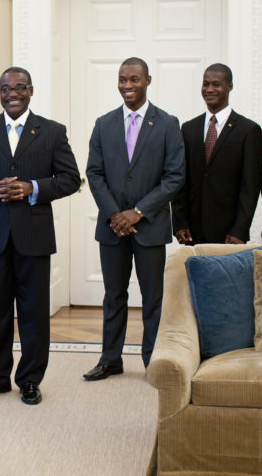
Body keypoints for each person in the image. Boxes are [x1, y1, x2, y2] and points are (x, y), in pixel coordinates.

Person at [0, 67, 80, 405]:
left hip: (34, 236)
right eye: (5, 88)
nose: (12, 93)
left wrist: (33, 187)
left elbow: (71, 179)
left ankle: (29, 380)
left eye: (19, 87)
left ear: (31, 91)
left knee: (34, 313)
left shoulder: (52, 132)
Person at [84, 57, 184, 380]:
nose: (127, 85)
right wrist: (116, 214)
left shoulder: (167, 123)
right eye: (122, 79)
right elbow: (94, 173)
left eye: (134, 79)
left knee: (153, 299)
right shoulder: (103, 123)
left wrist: (137, 212)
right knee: (114, 296)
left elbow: (174, 177)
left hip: (150, 227)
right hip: (112, 228)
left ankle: (152, 362)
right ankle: (110, 359)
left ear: (148, 81)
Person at [172, 63, 262, 245]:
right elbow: (181, 181)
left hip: (229, 234)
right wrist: (180, 222)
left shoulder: (248, 130)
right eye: (206, 84)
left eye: (216, 84)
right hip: (193, 233)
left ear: (229, 86)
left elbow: (250, 187)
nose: (209, 89)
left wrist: (240, 230)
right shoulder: (189, 128)